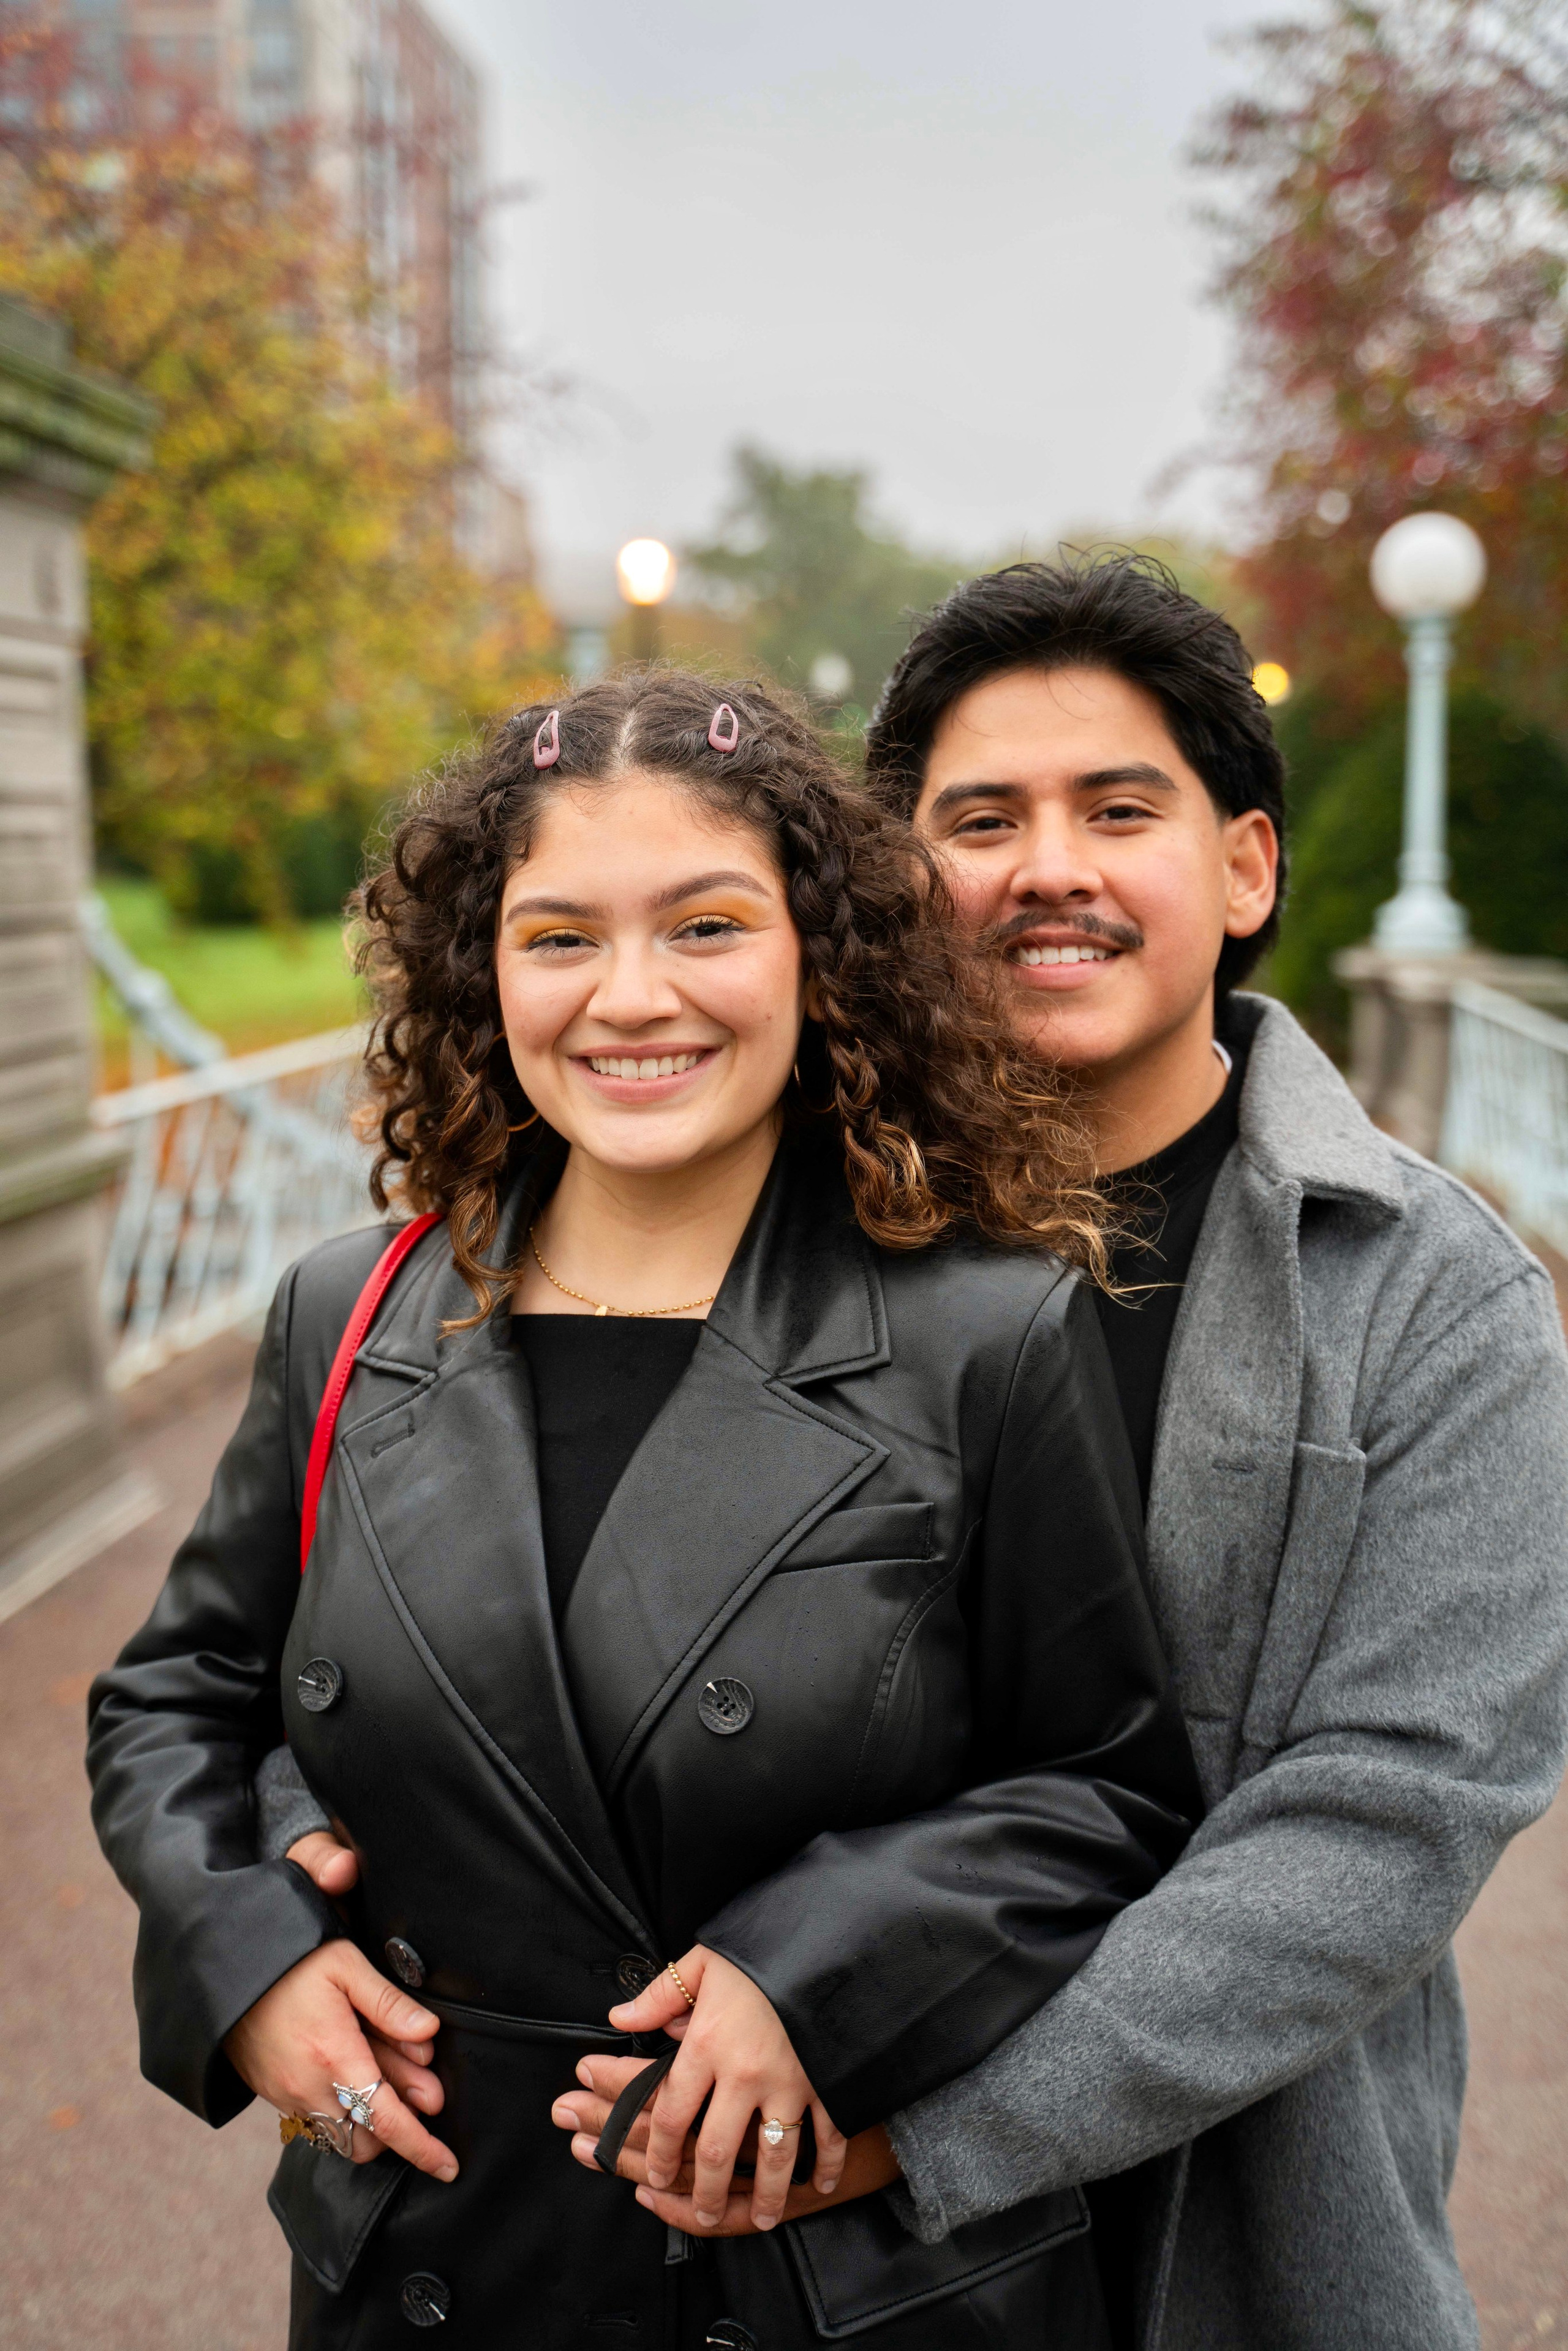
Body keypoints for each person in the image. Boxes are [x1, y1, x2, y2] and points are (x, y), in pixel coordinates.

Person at [87, 670, 1201, 2351]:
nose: (629, 1000)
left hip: (818, 2271)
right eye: (558, 937)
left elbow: (1109, 1790)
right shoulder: (350, 1313)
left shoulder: (990, 1332)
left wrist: (814, 1971)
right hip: (429, 2248)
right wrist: (245, 1960)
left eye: (704, 925)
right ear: (485, 968)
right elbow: (174, 1699)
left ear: (817, 955)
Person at [849, 554, 1568, 2350]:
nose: (1052, 870)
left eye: (1118, 808)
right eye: (983, 820)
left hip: (1242, 2238)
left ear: (1244, 867)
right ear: (898, 884)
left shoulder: (1434, 1296)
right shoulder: (774, 1234)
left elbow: (1389, 1818)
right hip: (804, 2230)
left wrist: (931, 2131)